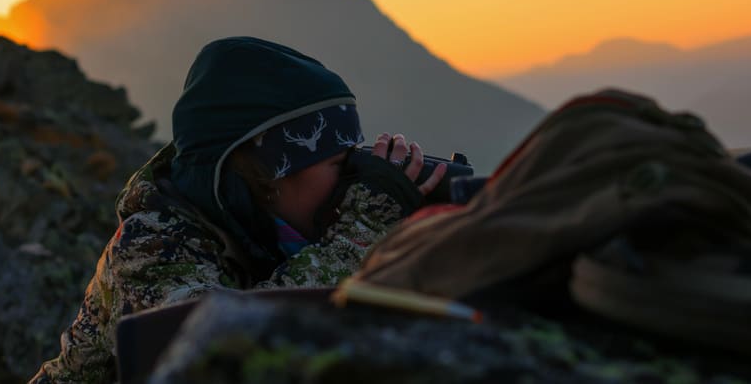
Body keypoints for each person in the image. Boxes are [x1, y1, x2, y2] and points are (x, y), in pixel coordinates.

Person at [30, 37, 446, 383]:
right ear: (268, 176)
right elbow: (221, 355)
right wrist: (364, 229)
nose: (350, 184)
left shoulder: (276, 234)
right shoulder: (152, 245)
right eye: (339, 164)